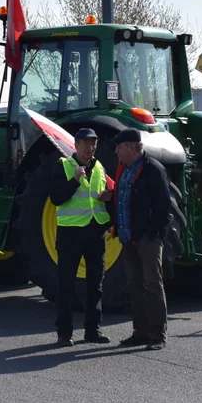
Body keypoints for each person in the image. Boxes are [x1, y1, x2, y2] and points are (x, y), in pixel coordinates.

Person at [48, 128, 113, 347]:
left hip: (96, 231)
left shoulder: (100, 167)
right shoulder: (64, 165)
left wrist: (107, 197)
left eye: (93, 144)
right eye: (85, 143)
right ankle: (64, 333)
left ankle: (93, 330)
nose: (90, 148)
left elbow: (99, 196)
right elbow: (56, 198)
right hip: (71, 232)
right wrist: (75, 181)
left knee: (96, 284)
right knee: (66, 284)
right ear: (75, 145)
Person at [112, 129, 172, 351]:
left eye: (118, 147)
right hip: (128, 239)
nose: (116, 151)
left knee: (152, 285)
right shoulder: (124, 169)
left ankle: (158, 335)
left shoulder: (153, 170)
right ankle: (140, 332)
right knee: (135, 285)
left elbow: (163, 207)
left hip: (146, 240)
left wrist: (151, 235)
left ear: (130, 147)